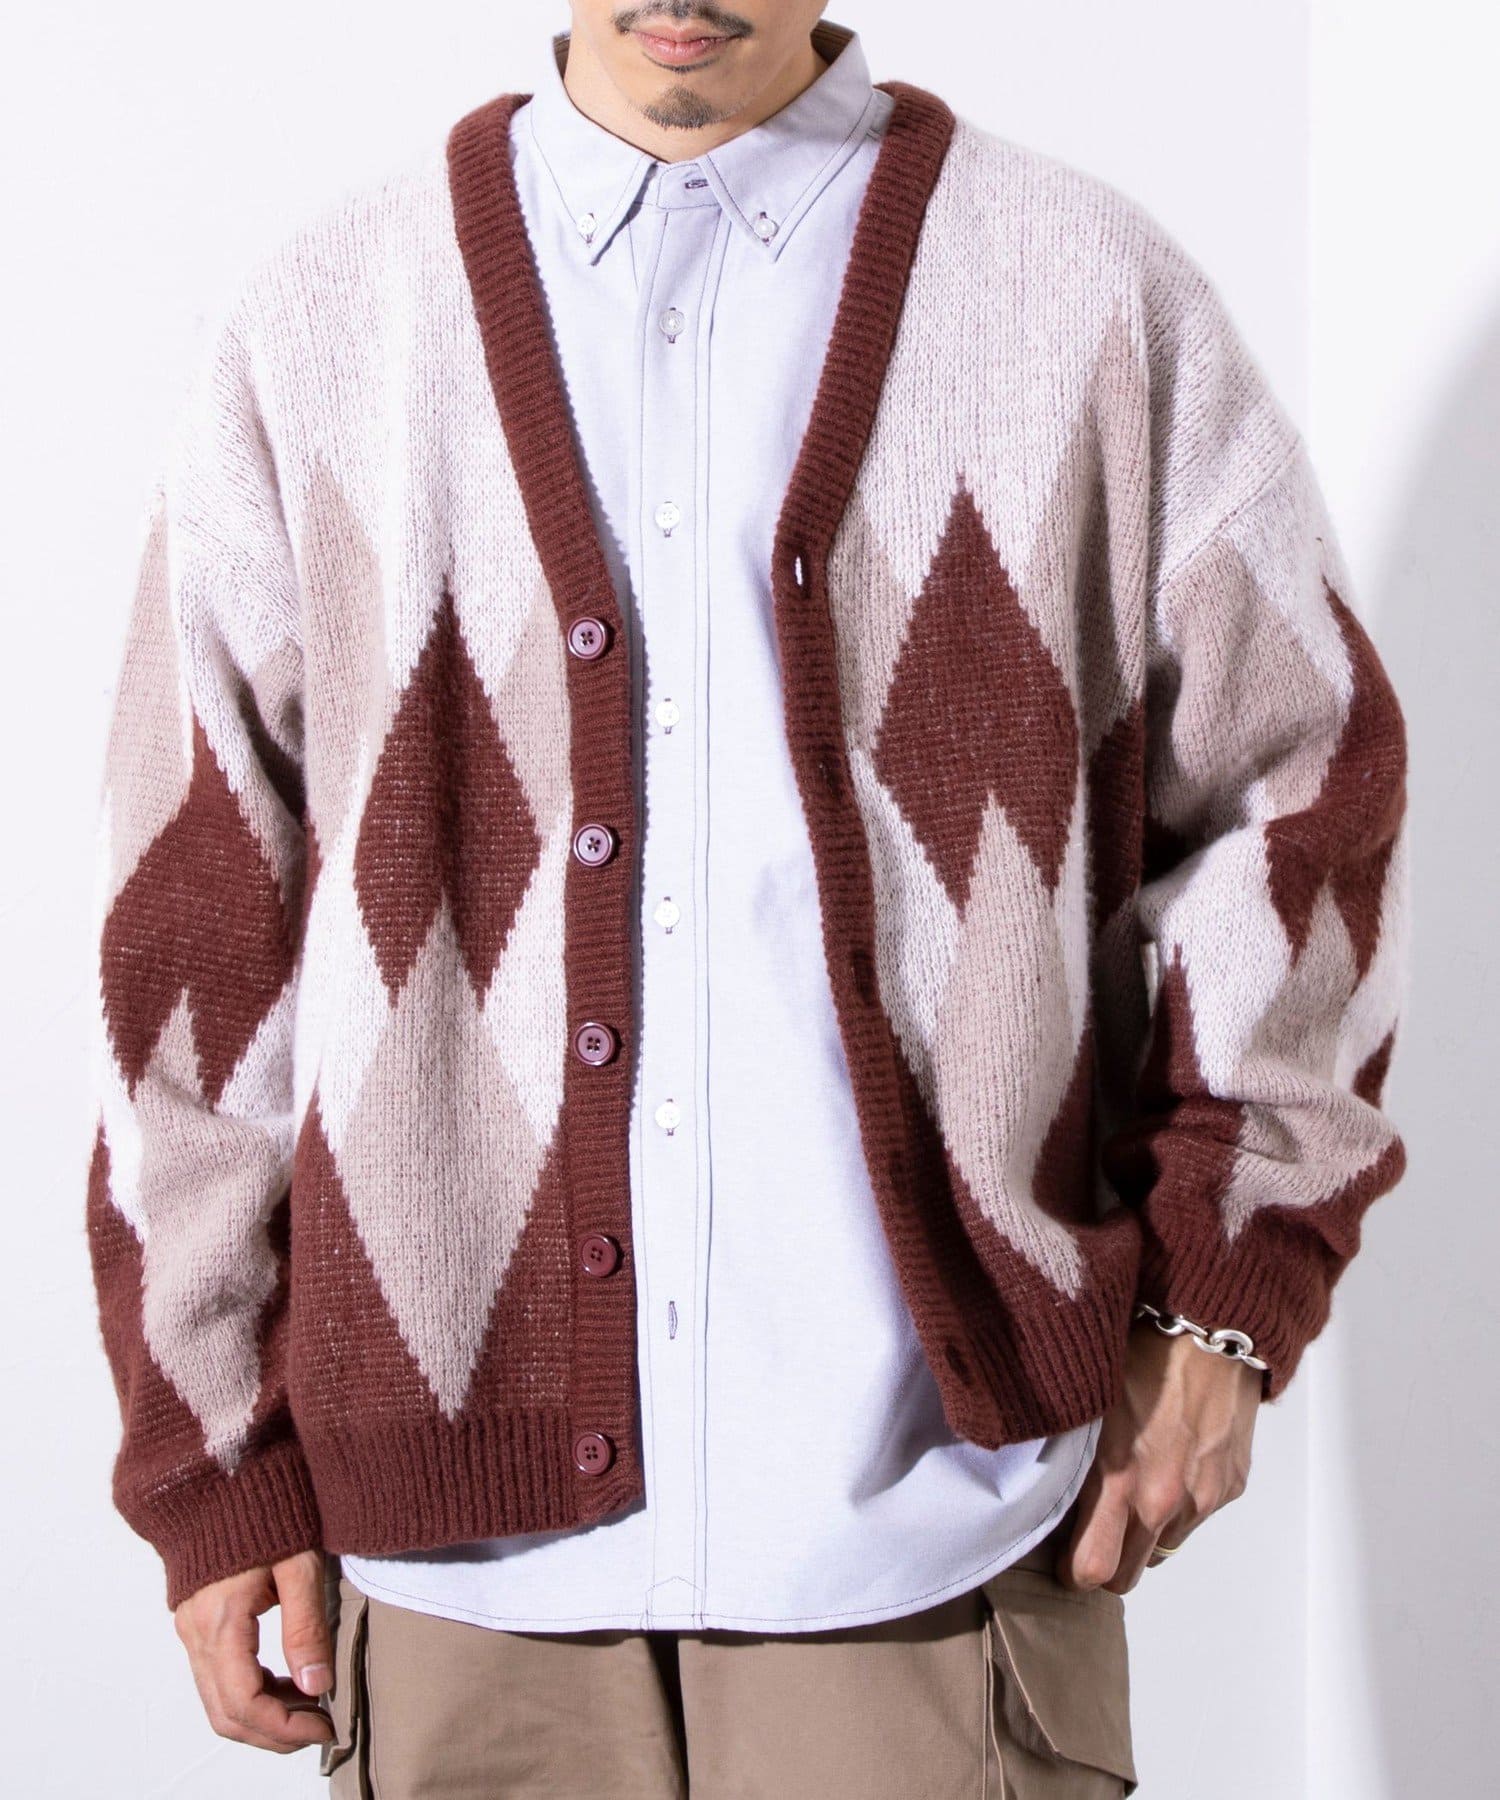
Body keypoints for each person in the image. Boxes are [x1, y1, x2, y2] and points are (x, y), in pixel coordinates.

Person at [85, 5, 1410, 1794]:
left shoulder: (1084, 294)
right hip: (456, 1577)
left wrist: (1225, 1299)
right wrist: (208, 1453)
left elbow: (1302, 797)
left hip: (933, 1536)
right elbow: (193, 939)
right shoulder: (325, 325)